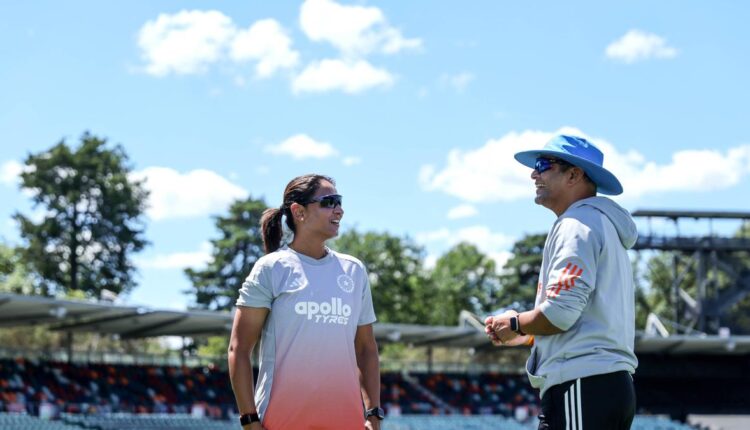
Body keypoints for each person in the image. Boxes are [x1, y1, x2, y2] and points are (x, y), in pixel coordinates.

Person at [485, 135, 638, 429]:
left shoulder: (576, 224)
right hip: (601, 384)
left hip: (582, 383)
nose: (534, 174)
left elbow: (560, 313)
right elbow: (582, 318)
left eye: (543, 165)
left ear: (574, 175)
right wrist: (529, 334)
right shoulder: (600, 224)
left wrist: (515, 323)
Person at [228, 174, 382, 430]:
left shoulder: (354, 271)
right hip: (279, 423)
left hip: (347, 423)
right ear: (299, 212)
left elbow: (366, 349)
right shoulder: (271, 268)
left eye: (340, 201)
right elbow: (239, 349)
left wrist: (373, 414)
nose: (339, 210)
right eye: (329, 202)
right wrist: (249, 420)